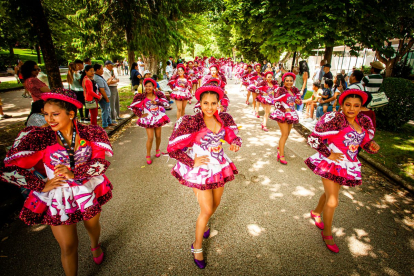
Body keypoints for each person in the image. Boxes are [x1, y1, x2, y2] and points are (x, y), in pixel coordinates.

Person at [0, 88, 113, 275]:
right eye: (45, 114)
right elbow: (8, 168)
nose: (49, 119)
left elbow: (100, 163)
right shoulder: (40, 138)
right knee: (68, 246)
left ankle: (95, 244)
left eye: (55, 114)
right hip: (58, 197)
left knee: (92, 226)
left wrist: (75, 173)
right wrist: (41, 184)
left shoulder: (91, 133)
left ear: (71, 114)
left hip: (86, 189)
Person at [167, 83, 242, 269]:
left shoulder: (224, 118)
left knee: (215, 204)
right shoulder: (192, 122)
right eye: (206, 103)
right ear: (199, 103)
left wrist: (234, 144)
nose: (209, 107)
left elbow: (233, 137)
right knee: (207, 210)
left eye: (213, 103)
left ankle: (206, 226)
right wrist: (192, 162)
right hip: (200, 170)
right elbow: (172, 149)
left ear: (219, 104)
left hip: (219, 166)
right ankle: (197, 246)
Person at [305, 89, 380, 253]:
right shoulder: (334, 119)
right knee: (333, 200)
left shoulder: (363, 122)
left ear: (361, 107)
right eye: (348, 105)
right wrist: (329, 153)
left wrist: (371, 146)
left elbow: (363, 143)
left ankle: (316, 212)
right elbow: (313, 138)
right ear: (342, 105)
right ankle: (327, 234)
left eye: (356, 105)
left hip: (348, 165)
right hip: (331, 163)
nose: (351, 109)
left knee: (329, 194)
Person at [129, 78, 170, 164]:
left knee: (158, 136)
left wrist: (157, 103)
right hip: (148, 119)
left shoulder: (158, 95)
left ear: (154, 87)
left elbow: (166, 104)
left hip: (158, 118)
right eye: (146, 86)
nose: (148, 88)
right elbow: (134, 107)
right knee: (150, 138)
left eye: (150, 86)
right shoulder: (142, 97)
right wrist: (140, 115)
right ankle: (148, 155)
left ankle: (157, 149)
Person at [269, 72, 302, 164]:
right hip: (282, 114)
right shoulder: (280, 90)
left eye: (291, 81)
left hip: (291, 114)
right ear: (283, 81)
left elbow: (299, 102)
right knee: (284, 134)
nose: (289, 82)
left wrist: (298, 101)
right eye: (287, 81)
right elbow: (275, 102)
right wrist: (284, 108)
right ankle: (281, 155)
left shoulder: (295, 90)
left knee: (287, 134)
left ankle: (280, 147)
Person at [361, 61, 385, 128]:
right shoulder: (381, 78)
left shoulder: (367, 77)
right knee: (371, 111)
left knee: (365, 110)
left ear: (373, 69)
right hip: (375, 96)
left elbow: (362, 86)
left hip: (367, 96)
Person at [94, 64, 117, 130]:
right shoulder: (97, 78)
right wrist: (106, 98)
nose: (102, 70)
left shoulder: (99, 77)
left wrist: (110, 79)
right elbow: (102, 89)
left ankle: (109, 122)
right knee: (105, 110)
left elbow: (105, 84)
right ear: (97, 70)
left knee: (108, 109)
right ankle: (105, 124)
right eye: (101, 69)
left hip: (106, 96)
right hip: (104, 97)